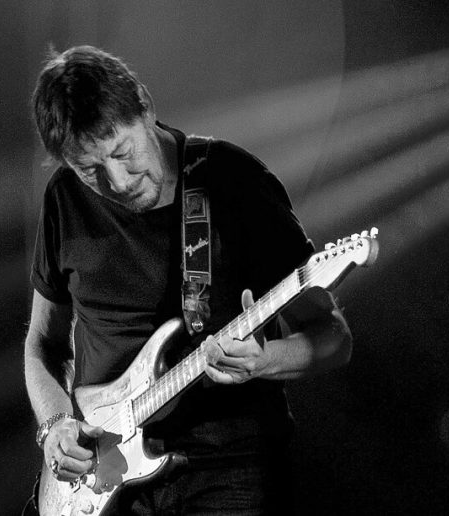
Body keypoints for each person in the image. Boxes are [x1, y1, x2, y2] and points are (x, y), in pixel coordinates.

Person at [23, 45, 352, 514]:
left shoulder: (233, 181)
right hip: (103, 475)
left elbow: (333, 337)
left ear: (144, 106)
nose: (118, 181)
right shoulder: (63, 199)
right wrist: (54, 424)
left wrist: (264, 361)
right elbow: (42, 344)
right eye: (90, 170)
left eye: (123, 152)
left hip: (228, 469)